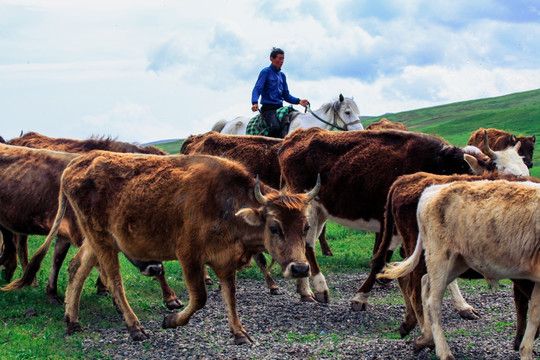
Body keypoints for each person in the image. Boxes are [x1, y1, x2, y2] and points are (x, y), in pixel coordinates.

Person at [251, 47, 309, 137]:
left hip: (280, 108)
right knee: (275, 127)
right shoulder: (265, 72)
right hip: (268, 109)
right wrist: (254, 102)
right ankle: (267, 148)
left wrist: (299, 101)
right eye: (279, 58)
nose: (282, 61)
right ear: (272, 59)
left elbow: (286, 95)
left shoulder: (282, 76)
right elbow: (257, 88)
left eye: (283, 59)